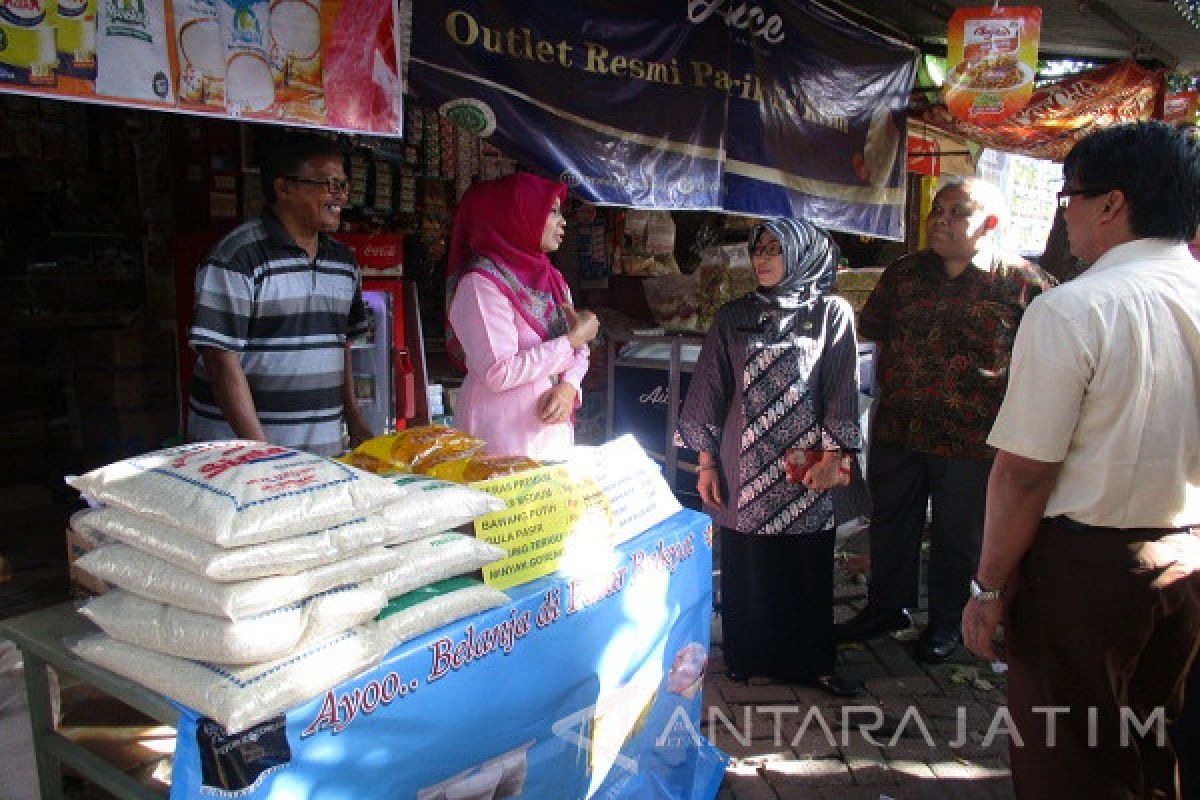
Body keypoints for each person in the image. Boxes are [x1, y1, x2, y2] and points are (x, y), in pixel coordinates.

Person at [963, 121, 1200, 799]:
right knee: (1154, 737)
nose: (1062, 211)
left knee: (1070, 760)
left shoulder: (1073, 309)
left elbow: (1025, 472)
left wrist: (987, 586)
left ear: (1111, 204)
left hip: (1087, 570)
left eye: (1069, 195)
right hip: (1187, 560)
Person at [835, 178, 1052, 662]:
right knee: (891, 522)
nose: (941, 219)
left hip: (973, 438)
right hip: (900, 426)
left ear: (989, 224)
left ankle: (949, 622)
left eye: (958, 212)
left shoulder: (1024, 285)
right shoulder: (904, 274)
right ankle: (886, 607)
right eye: (938, 209)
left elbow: (1046, 363)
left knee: (960, 533)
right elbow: (872, 335)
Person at [677, 217, 864, 698]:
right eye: (757, 249)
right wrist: (705, 464)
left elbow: (842, 388)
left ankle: (812, 662)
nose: (761, 259)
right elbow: (709, 392)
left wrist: (834, 453)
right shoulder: (733, 316)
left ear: (802, 254)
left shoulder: (830, 314)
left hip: (808, 465)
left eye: (773, 250)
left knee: (806, 565)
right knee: (750, 565)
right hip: (745, 466)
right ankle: (750, 658)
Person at [188, 132, 372, 457]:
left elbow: (341, 346)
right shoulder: (236, 258)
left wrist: (354, 419)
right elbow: (220, 359)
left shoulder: (343, 264)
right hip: (238, 461)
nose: (339, 196)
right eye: (328, 184)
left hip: (321, 455)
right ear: (283, 187)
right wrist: (262, 453)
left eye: (342, 185)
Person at [445, 173, 598, 459]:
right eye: (551, 211)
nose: (562, 221)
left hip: (550, 436)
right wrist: (571, 340)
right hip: (498, 439)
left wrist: (568, 386)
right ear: (517, 214)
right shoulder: (481, 283)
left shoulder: (552, 278)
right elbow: (497, 372)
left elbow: (580, 349)